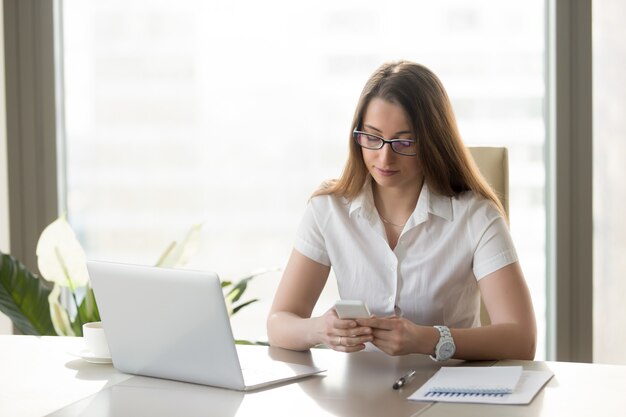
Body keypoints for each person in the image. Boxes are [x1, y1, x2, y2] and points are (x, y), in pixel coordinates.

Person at [266, 61, 536, 361]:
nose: (385, 157)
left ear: (433, 142)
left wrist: (429, 338)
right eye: (372, 138)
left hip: (448, 397)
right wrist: (320, 330)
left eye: (403, 141)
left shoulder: (476, 216)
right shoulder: (328, 209)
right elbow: (279, 323)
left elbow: (521, 338)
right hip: (359, 399)